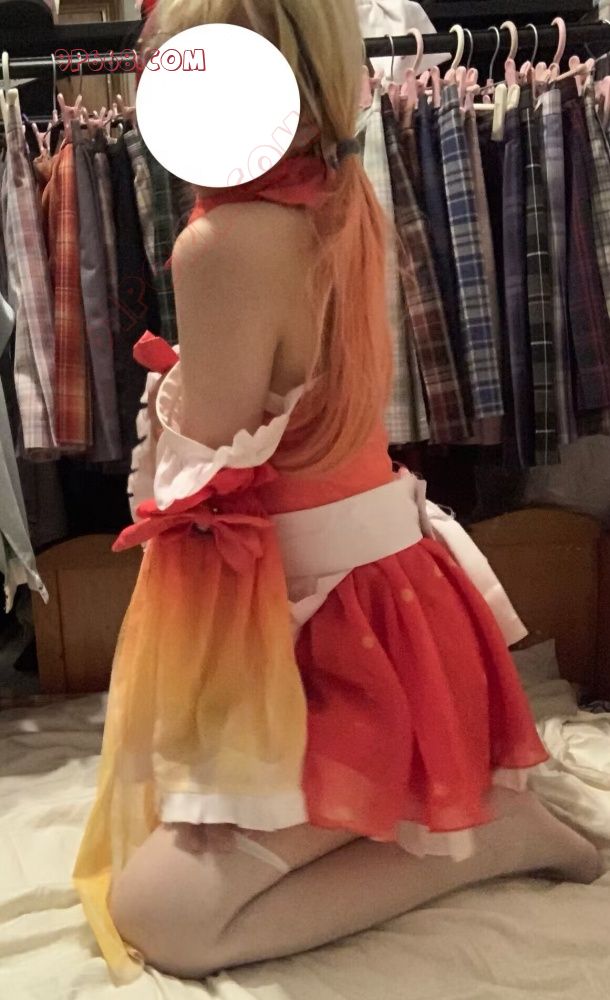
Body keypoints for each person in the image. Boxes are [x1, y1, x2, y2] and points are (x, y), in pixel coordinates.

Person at [73, 0, 600, 985]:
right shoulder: (339, 192)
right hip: (392, 603)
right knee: (171, 851)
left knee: (161, 915)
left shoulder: (227, 241)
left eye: (170, 60)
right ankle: (479, 822)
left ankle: (495, 839)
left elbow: (206, 479)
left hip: (351, 641)